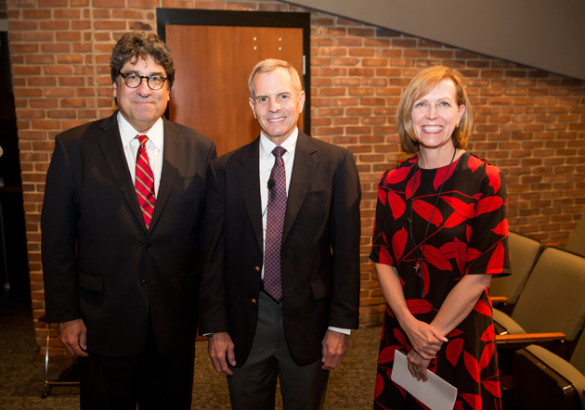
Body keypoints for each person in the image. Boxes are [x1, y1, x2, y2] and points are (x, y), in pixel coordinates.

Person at [41, 31, 216, 410]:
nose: (144, 89)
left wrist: (212, 316)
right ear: (115, 86)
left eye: (156, 78)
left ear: (168, 90)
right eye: (132, 76)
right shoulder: (74, 149)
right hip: (101, 324)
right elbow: (56, 242)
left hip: (174, 324)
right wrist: (66, 316)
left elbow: (208, 242)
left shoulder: (200, 149)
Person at [198, 58, 361, 410]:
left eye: (283, 96)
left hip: (311, 325)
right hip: (245, 325)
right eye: (263, 98)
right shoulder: (223, 170)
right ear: (251, 105)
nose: (274, 108)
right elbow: (211, 257)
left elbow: (346, 255)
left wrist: (340, 327)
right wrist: (216, 327)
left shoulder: (336, 164)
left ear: (300, 100)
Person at [370, 65, 510, 409]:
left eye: (443, 104)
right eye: (421, 104)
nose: (432, 115)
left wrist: (428, 340)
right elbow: (382, 259)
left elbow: (480, 274)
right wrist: (408, 324)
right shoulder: (393, 180)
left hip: (459, 332)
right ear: (409, 115)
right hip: (404, 326)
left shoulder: (484, 178)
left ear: (460, 114)